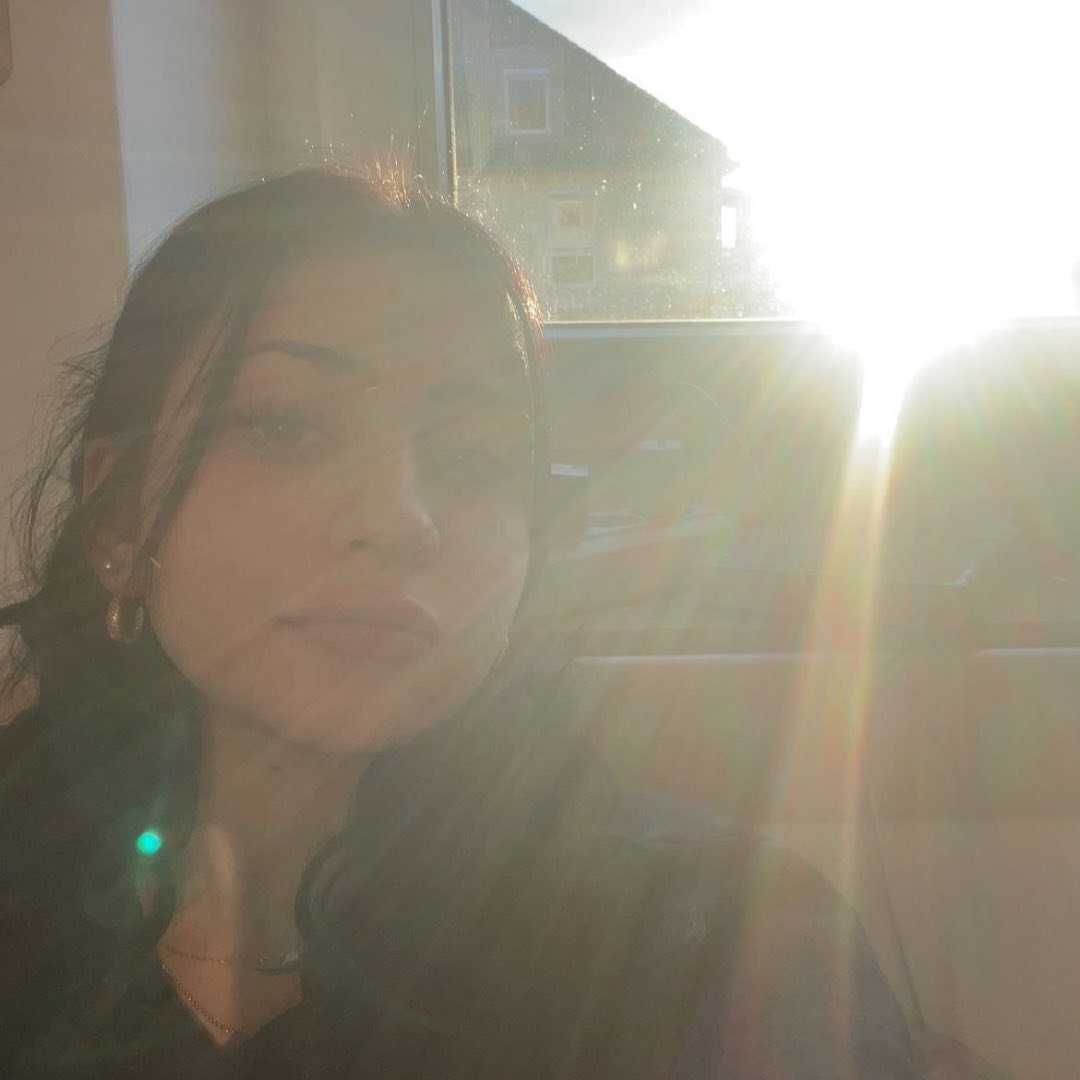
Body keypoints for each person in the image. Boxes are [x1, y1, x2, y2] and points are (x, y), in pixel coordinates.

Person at [0, 169, 924, 1079]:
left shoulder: (724, 946)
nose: (401, 517)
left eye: (476, 456)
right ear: (118, 521)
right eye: (284, 427)